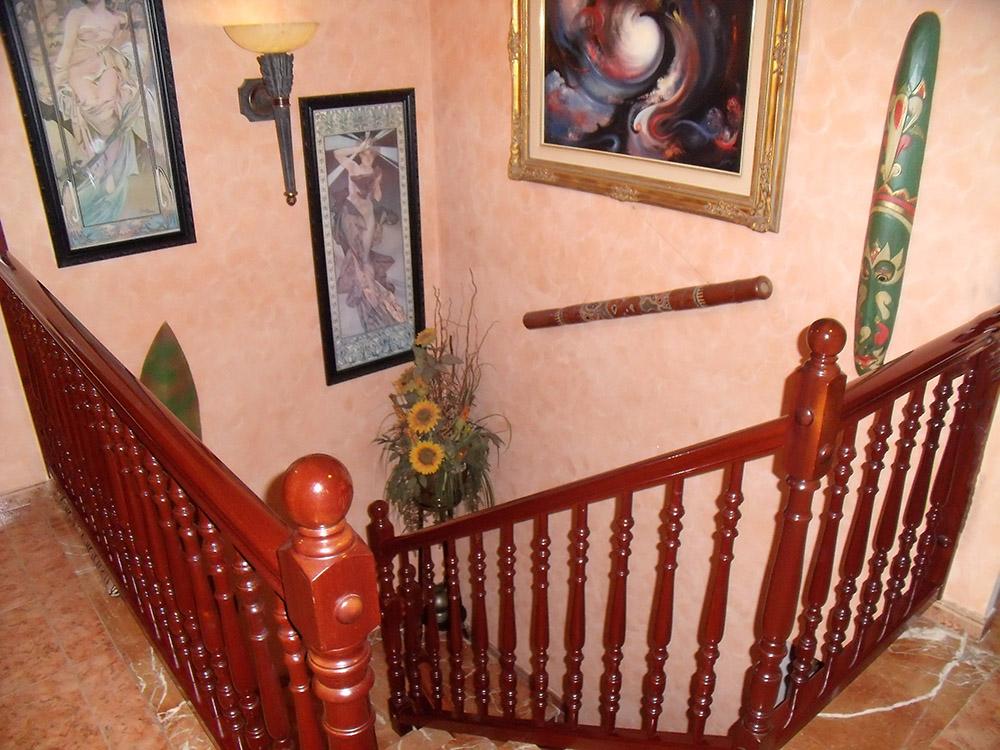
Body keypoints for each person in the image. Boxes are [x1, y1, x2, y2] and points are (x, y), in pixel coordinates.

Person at [53, 0, 145, 226]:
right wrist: (54, 82)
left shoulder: (116, 19)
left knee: (108, 112)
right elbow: (66, 49)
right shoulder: (77, 15)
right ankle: (103, 168)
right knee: (94, 108)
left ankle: (109, 168)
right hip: (79, 70)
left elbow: (121, 45)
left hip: (106, 65)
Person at [330, 135, 406, 332]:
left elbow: (377, 196)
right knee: (357, 255)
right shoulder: (354, 167)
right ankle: (367, 289)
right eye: (366, 152)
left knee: (365, 257)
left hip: (368, 215)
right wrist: (357, 147)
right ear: (362, 153)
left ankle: (373, 291)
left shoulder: (375, 172)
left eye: (371, 152)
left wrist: (376, 183)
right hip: (351, 214)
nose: (369, 155)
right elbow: (338, 153)